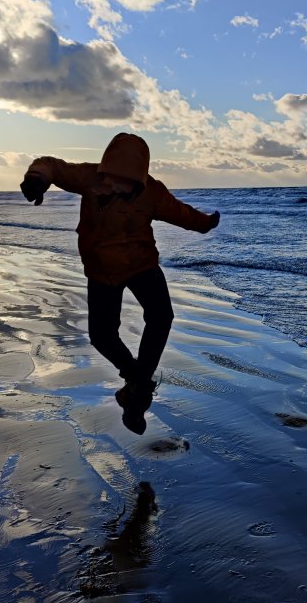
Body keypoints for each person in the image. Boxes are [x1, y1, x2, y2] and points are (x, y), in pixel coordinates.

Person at [20, 133, 220, 434]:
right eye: (109, 177)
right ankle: (135, 379)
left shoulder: (152, 193)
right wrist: (37, 178)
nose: (111, 184)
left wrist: (205, 223)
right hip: (101, 268)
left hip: (141, 263)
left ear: (138, 178)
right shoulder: (87, 177)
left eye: (121, 180)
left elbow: (180, 213)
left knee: (161, 315)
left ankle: (139, 387)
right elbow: (52, 165)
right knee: (101, 335)